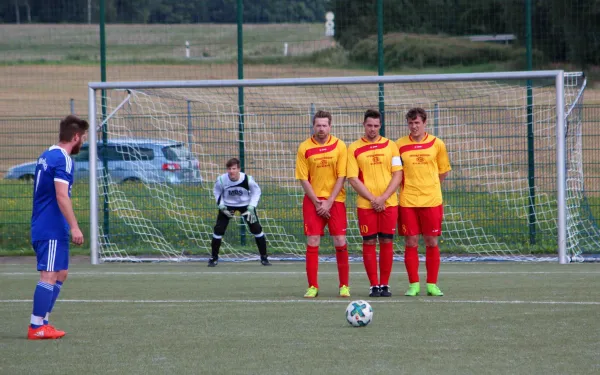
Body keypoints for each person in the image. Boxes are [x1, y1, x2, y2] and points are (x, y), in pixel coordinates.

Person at [28, 115, 89, 340]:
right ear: (75, 137)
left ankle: (43, 322)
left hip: (48, 225)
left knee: (61, 273)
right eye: (83, 138)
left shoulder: (47, 154)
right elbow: (61, 195)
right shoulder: (62, 158)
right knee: (49, 274)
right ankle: (36, 326)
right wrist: (75, 226)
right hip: (51, 226)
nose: (83, 141)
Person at [396, 107, 451, 297]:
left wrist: (430, 185)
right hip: (408, 200)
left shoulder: (437, 144)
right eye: (410, 123)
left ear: (424, 123)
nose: (413, 127)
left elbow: (443, 171)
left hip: (432, 199)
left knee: (431, 241)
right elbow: (396, 172)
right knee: (411, 242)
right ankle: (413, 284)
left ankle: (431, 284)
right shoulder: (399, 145)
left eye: (417, 123)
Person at [347, 109, 403, 297]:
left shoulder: (391, 146)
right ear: (364, 125)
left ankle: (385, 284)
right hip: (366, 205)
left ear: (381, 126)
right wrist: (373, 199)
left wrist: (383, 198)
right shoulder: (353, 148)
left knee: (387, 240)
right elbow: (353, 178)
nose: (372, 129)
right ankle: (373, 285)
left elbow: (398, 174)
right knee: (369, 241)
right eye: (369, 125)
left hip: (389, 203)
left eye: (376, 126)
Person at [295, 110, 350, 298]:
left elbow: (342, 176)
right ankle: (313, 286)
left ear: (330, 126)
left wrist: (329, 202)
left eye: (324, 125)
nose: (321, 128)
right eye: (318, 125)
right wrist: (318, 203)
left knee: (340, 241)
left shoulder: (340, 146)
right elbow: (303, 179)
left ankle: (344, 286)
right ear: (313, 126)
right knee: (312, 240)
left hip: (335, 201)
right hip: (313, 202)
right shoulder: (304, 148)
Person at [209, 158, 270, 266]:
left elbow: (256, 192)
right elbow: (217, 191)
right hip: (228, 206)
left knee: (256, 228)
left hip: (245, 206)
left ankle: (264, 258)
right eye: (229, 169)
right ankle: (213, 258)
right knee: (219, 229)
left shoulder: (248, 179)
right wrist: (221, 204)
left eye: (234, 168)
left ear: (238, 169)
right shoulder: (221, 180)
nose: (231, 171)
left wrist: (252, 206)